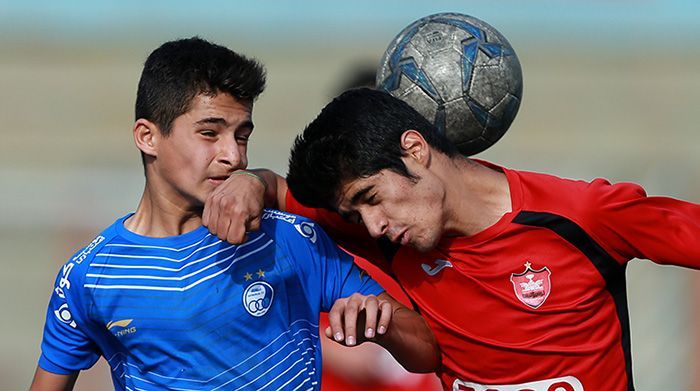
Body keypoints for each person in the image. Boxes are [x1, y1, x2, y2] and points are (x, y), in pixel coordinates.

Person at [203, 87, 700, 390]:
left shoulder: (581, 216)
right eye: (355, 212)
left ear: (415, 149)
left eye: (371, 197)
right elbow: (277, 189)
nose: (371, 225)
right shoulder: (392, 236)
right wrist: (249, 182)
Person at [30, 40, 439, 391]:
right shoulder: (91, 274)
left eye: (242, 135)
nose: (234, 155)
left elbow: (425, 348)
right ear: (148, 136)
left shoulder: (291, 240)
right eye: (210, 133)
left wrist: (382, 325)